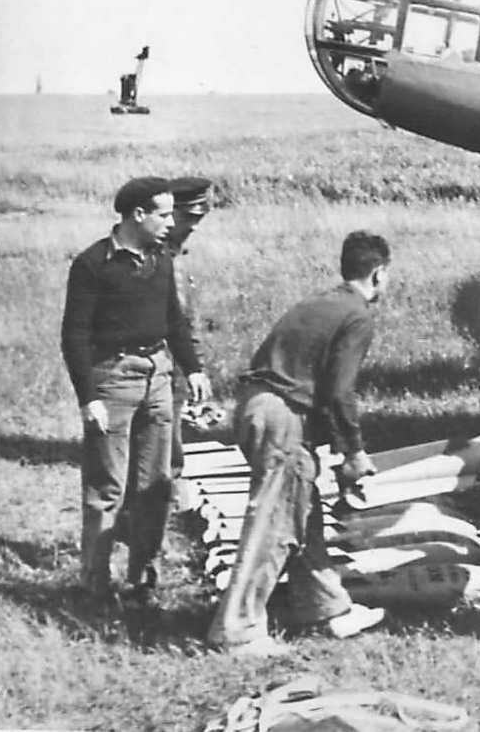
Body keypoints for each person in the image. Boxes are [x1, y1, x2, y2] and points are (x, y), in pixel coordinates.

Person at [207, 230, 391, 656]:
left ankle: (325, 608)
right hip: (282, 415)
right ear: (379, 274)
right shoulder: (357, 316)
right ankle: (236, 630)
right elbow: (340, 391)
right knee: (273, 524)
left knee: (303, 514)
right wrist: (354, 453)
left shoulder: (316, 304)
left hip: (258, 406)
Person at [61, 176, 212, 608]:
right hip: (113, 380)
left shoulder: (160, 258)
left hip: (159, 376)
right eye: (164, 214)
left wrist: (194, 369)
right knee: (107, 488)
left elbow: (174, 321)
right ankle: (95, 583)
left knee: (156, 485)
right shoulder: (92, 265)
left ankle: (143, 580)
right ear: (138, 215)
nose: (172, 222)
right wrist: (88, 398)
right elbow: (74, 335)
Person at [166, 176, 214, 486]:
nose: (195, 226)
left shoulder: (180, 254)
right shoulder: (159, 256)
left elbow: (189, 320)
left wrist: (196, 367)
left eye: (201, 218)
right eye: (189, 217)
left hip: (180, 362)